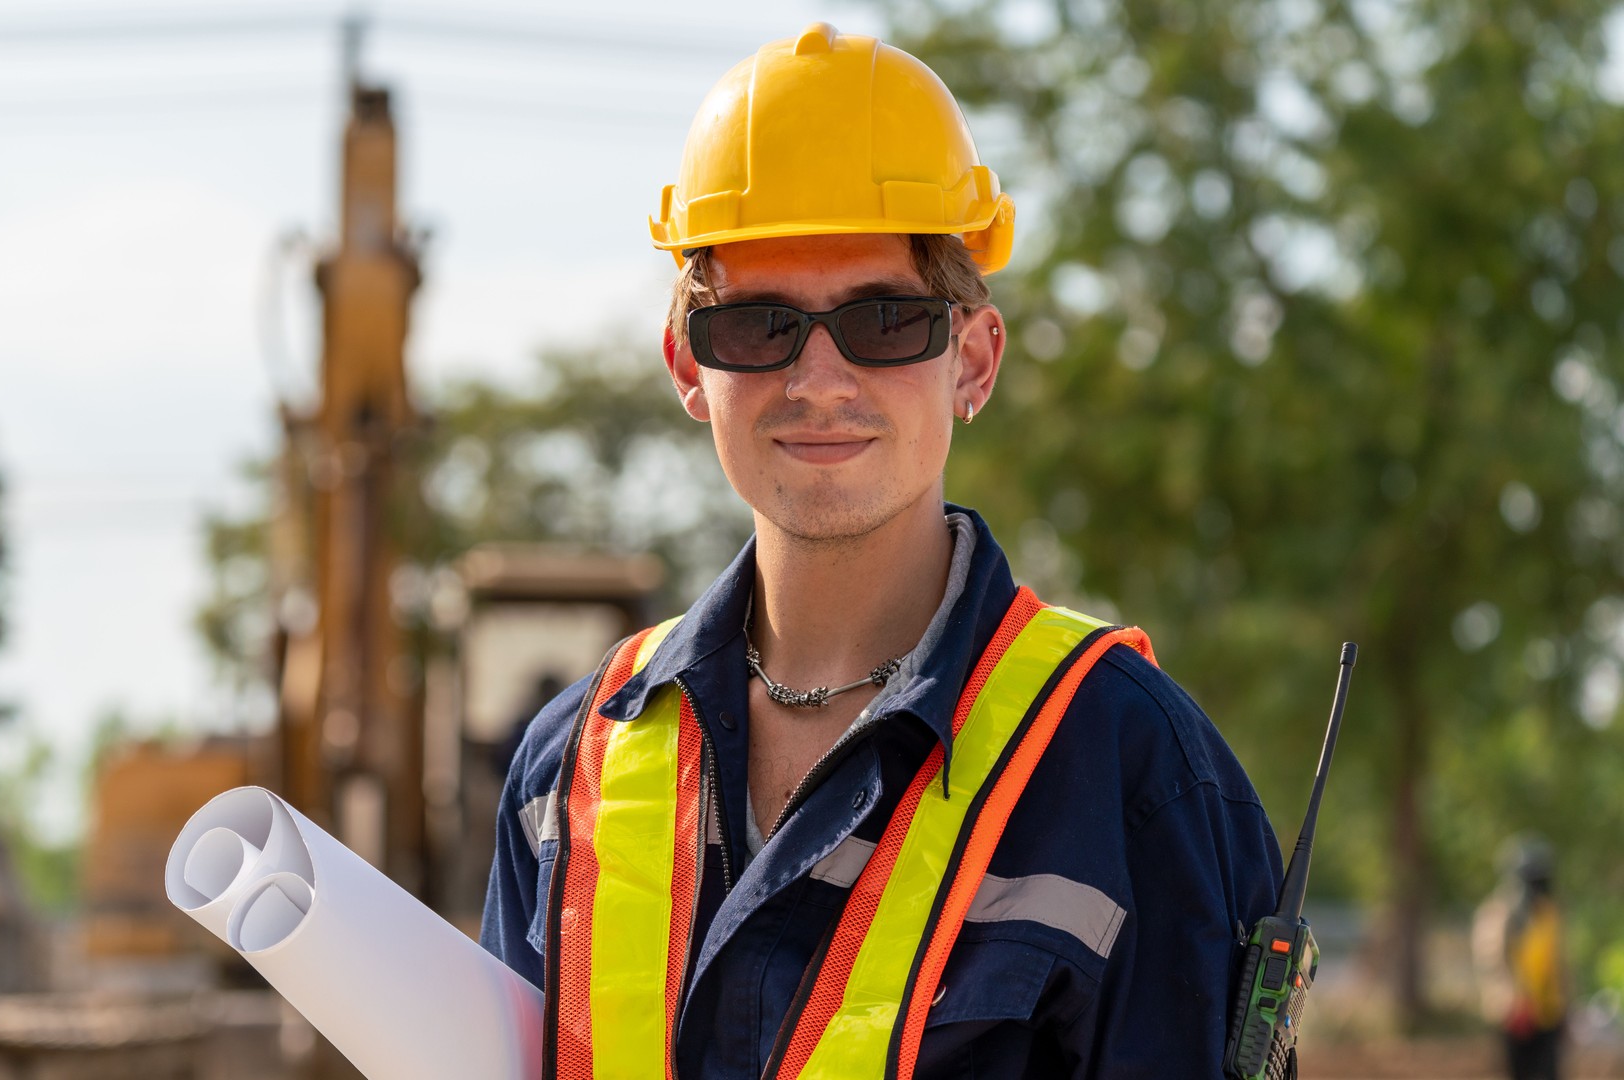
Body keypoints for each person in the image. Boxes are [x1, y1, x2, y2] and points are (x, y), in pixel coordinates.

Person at [481, 23, 1283, 1078]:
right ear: (688, 363)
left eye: (886, 321)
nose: (818, 379)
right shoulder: (567, 770)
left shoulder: (1131, 775)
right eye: (760, 326)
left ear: (974, 360)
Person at [1474, 836, 1572, 1080]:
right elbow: (1492, 961)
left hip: (1548, 1012)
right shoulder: (1500, 913)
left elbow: (1560, 964)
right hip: (1516, 1015)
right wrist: (1512, 1001)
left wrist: (1566, 1008)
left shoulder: (1549, 913)